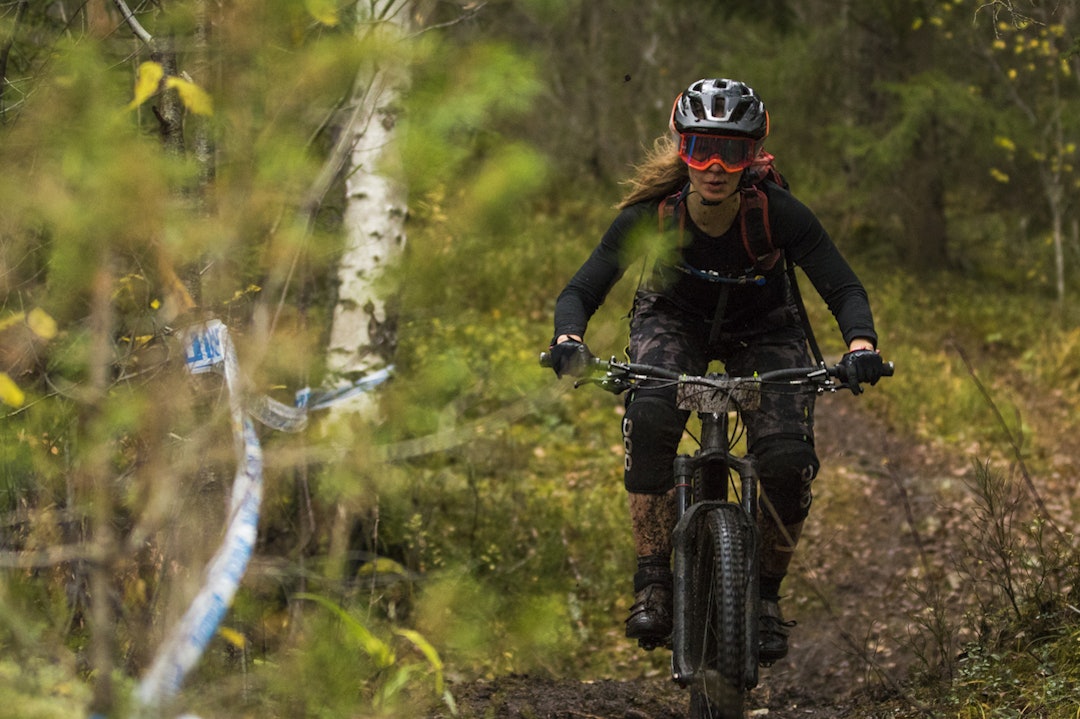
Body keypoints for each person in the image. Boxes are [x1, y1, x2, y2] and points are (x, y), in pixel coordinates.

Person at [546, 78, 885, 663]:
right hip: (673, 319)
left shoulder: (778, 214)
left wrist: (859, 345)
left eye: (731, 151)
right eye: (701, 147)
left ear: (752, 156)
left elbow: (843, 286)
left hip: (766, 328)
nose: (715, 166)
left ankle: (764, 599)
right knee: (650, 415)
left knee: (786, 457)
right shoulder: (652, 216)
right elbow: (582, 287)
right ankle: (653, 578)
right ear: (682, 147)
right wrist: (569, 338)